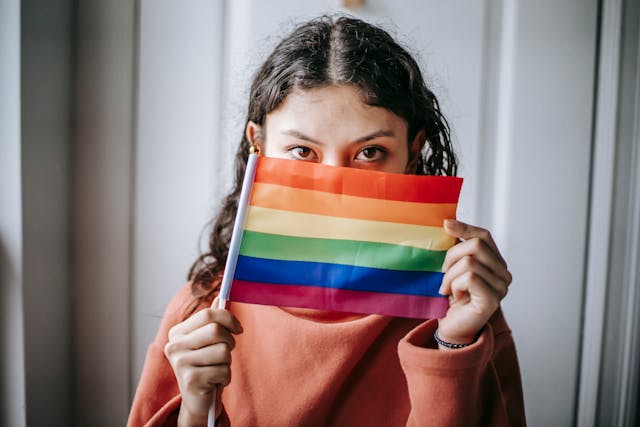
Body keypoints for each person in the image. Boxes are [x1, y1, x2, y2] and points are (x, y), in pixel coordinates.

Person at [128, 15, 525, 427]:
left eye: (370, 152)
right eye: (302, 151)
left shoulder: (462, 308)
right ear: (258, 146)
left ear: (413, 151)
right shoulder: (202, 312)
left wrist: (454, 345)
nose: (335, 186)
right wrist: (194, 410)